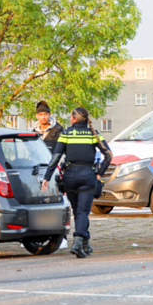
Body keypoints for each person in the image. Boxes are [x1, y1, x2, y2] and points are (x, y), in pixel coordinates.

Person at [40, 107, 111, 258]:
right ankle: (78, 242)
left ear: (74, 118)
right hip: (87, 176)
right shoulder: (94, 134)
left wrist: (47, 177)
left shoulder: (66, 134)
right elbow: (109, 155)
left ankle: (85, 244)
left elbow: (55, 157)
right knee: (83, 212)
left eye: (70, 116)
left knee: (78, 211)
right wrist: (99, 174)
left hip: (70, 177)